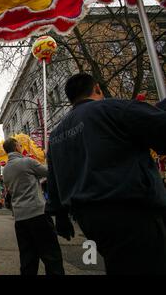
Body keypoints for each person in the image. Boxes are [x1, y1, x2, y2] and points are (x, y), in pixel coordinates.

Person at [46, 73, 166, 275]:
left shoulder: (56, 135)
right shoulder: (111, 108)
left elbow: (54, 177)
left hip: (90, 219)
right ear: (97, 89)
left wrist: (60, 216)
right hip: (131, 210)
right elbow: (157, 125)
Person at [2, 138, 65, 275]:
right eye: (19, 144)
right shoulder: (27, 162)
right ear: (16, 147)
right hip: (38, 214)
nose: (21, 146)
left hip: (20, 218)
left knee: (28, 258)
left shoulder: (5, 170)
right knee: (51, 256)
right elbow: (48, 172)